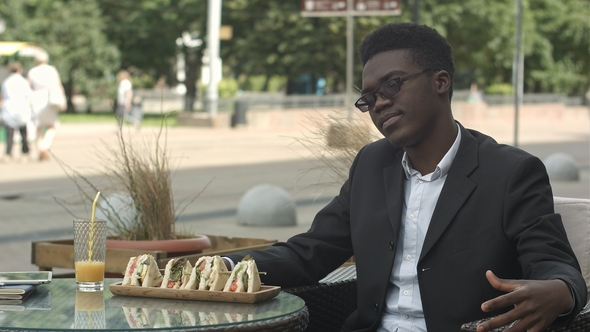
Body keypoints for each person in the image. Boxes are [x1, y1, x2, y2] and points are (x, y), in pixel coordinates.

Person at [224, 23, 587, 331]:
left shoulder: (510, 172)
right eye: (368, 98)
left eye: (392, 85)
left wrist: (560, 291)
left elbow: (555, 264)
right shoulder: (371, 165)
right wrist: (222, 267)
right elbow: (309, 253)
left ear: (440, 81)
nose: (379, 103)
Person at [27, 50, 66, 162]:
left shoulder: (32, 71)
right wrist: (62, 100)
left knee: (38, 127)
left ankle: (40, 148)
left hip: (36, 99)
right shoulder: (51, 70)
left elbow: (29, 87)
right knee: (52, 126)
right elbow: (58, 85)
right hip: (49, 99)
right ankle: (45, 146)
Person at [1, 62, 33, 163]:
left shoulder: (6, 82)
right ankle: (25, 153)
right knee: (23, 133)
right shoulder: (23, 81)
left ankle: (8, 154)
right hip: (21, 109)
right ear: (19, 70)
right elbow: (29, 95)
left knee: (9, 135)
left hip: (9, 109)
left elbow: (3, 96)